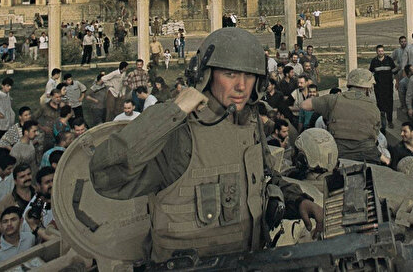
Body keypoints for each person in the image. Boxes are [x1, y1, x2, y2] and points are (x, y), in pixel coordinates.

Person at [90, 28, 322, 263]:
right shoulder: (179, 132)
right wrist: (174, 111)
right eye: (230, 74)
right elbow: (105, 175)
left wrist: (298, 201)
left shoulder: (251, 123)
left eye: (249, 75)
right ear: (205, 75)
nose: (242, 86)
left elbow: (266, 178)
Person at [303, 68, 382, 163]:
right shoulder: (374, 107)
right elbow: (375, 135)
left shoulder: (333, 99)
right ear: (368, 87)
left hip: (338, 154)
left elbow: (304, 105)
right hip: (367, 155)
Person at [368, 45, 396, 130]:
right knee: (380, 104)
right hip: (378, 87)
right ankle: (382, 123)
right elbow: (371, 73)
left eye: (382, 51)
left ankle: (390, 121)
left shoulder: (389, 60)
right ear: (377, 52)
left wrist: (396, 81)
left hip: (388, 86)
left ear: (384, 51)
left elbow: (394, 71)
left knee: (389, 103)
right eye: (379, 51)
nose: (381, 52)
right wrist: (370, 85)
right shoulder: (374, 61)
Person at [0, 77, 15, 147]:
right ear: (2, 86)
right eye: (7, 86)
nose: (9, 88)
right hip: (1, 125)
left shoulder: (7, 95)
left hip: (8, 123)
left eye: (10, 86)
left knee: (8, 143)